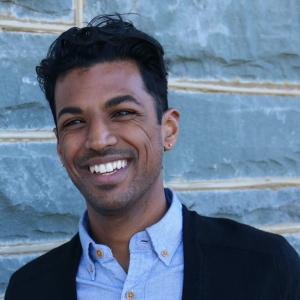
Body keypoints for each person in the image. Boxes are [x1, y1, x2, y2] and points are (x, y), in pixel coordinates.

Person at [5, 14, 300, 300]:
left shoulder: (265, 268)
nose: (98, 140)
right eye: (74, 122)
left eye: (122, 113)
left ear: (168, 130)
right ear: (59, 146)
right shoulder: (29, 289)